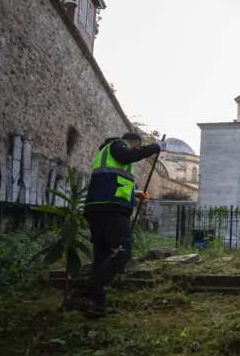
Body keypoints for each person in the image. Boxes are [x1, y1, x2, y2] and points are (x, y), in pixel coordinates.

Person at [64, 131, 167, 316]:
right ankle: (81, 294)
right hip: (110, 209)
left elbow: (114, 182)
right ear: (134, 144)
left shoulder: (110, 153)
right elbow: (127, 156)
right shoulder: (118, 146)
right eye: (137, 147)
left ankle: (97, 305)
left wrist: (135, 193)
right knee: (122, 252)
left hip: (100, 208)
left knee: (102, 258)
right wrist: (154, 147)